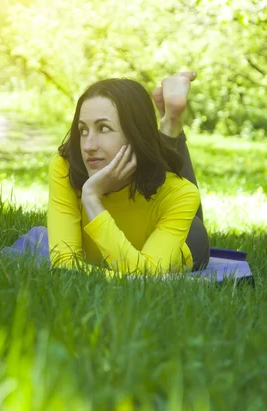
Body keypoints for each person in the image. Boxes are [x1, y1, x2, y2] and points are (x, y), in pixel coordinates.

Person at [48, 71, 210, 279]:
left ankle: (172, 125)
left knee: (177, 189)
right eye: (83, 130)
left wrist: (91, 198)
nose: (88, 146)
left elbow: (144, 277)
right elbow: (63, 265)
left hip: (188, 240)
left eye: (103, 128)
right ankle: (171, 124)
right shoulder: (65, 168)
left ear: (135, 132)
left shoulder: (182, 194)